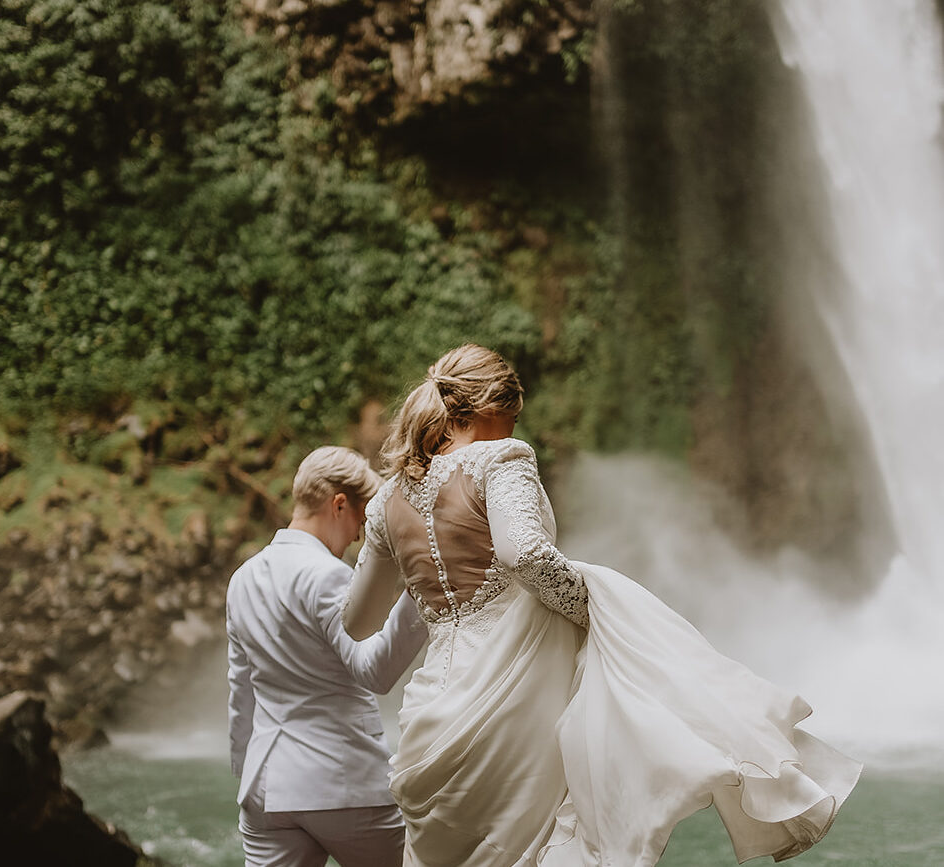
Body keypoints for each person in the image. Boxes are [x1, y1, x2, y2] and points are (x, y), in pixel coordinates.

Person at [343, 344, 861, 867]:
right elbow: (522, 554)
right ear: (492, 407)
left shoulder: (387, 501)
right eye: (514, 416)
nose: (514, 427)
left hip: (432, 710)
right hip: (514, 698)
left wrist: (430, 581)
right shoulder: (502, 459)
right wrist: (595, 611)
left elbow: (357, 621)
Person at [226, 445, 426, 867]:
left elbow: (240, 693)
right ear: (339, 504)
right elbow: (374, 671)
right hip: (339, 782)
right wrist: (422, 591)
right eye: (360, 518)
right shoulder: (327, 574)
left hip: (265, 789)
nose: (359, 535)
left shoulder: (242, 579)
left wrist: (245, 774)